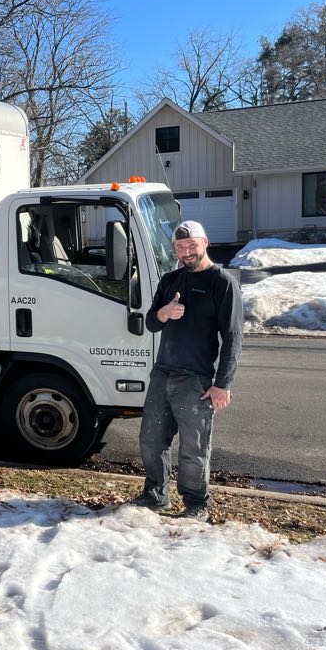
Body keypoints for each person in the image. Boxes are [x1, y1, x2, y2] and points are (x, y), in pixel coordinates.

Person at [131, 220, 243, 522]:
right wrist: (164, 313)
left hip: (195, 379)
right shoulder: (170, 280)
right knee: (151, 439)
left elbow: (233, 337)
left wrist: (223, 383)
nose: (186, 252)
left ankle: (196, 504)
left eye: (191, 245)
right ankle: (156, 495)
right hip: (162, 373)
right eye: (180, 248)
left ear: (205, 242)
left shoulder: (222, 283)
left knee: (194, 447)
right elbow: (151, 322)